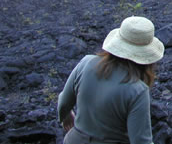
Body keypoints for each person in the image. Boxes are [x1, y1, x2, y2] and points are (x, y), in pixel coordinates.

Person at [57, 16, 165, 144]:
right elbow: (141, 141)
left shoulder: (86, 62)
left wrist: (66, 118)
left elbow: (63, 102)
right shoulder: (137, 90)